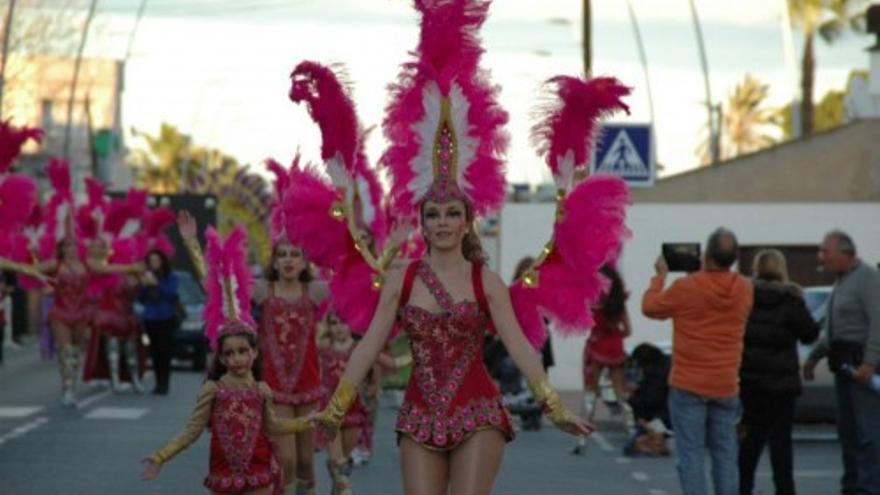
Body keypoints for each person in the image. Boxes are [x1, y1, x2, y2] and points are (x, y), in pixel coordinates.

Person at [142, 227, 312, 494]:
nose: (237, 359)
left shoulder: (262, 390)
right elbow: (191, 431)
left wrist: (311, 421)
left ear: (255, 353)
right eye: (230, 354)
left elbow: (274, 426)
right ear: (220, 357)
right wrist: (161, 456)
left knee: (295, 465)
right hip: (223, 477)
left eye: (243, 351)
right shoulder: (214, 390)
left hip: (259, 475)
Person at [180, 211, 327, 493]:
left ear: (304, 261)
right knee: (287, 458)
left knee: (307, 460)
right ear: (273, 260)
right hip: (274, 385)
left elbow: (361, 282)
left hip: (309, 383)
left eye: (295, 254)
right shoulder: (263, 290)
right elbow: (221, 286)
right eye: (282, 254)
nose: (288, 260)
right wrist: (192, 245)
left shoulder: (316, 291)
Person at [642, 227, 754, 495]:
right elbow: (714, 298)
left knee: (691, 454)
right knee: (725, 454)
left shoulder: (686, 287)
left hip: (688, 383)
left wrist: (660, 277)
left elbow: (651, 307)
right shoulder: (744, 288)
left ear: (706, 254)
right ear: (734, 257)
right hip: (726, 383)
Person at [803, 231, 880, 495]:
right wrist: (814, 357)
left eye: (825, 251)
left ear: (843, 253)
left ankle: (868, 489)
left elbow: (878, 323)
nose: (821, 257)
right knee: (848, 435)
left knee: (868, 434)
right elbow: (834, 330)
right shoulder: (842, 282)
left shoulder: (867, 278)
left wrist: (870, 362)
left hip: (861, 368)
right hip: (843, 366)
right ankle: (852, 487)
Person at [738, 249, 819, 495]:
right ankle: (785, 490)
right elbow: (809, 334)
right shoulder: (791, 299)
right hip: (782, 382)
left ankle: (742, 489)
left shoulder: (745, 298)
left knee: (751, 440)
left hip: (751, 380)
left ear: (756, 268)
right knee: (781, 443)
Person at [573, 263, 634, 454]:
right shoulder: (619, 303)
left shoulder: (593, 302)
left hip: (596, 345)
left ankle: (581, 438)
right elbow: (628, 330)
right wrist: (615, 334)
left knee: (591, 391)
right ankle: (631, 432)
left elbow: (582, 322)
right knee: (620, 393)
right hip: (615, 347)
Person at [138, 249, 179, 396]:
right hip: (150, 318)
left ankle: (164, 383)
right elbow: (141, 299)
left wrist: (156, 284)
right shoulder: (147, 276)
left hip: (166, 317)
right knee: (154, 351)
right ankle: (157, 383)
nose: (153, 263)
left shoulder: (170, 276)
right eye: (151, 261)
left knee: (164, 351)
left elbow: (171, 294)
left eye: (156, 260)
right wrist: (144, 285)